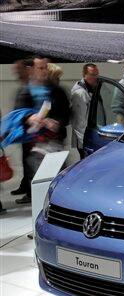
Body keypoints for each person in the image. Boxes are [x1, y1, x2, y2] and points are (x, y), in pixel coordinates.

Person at [14, 57, 71, 204]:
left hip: (55, 143)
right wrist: (30, 118)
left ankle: (58, 207)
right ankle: (42, 209)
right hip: (33, 145)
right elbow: (19, 113)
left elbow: (66, 114)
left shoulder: (57, 90)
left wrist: (57, 122)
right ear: (32, 69)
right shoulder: (25, 91)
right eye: (40, 68)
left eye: (45, 67)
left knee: (59, 179)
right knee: (39, 181)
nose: (44, 71)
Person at [10, 59, 34, 199]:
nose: (16, 72)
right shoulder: (24, 85)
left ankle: (31, 192)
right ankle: (25, 185)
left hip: (31, 132)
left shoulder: (32, 86)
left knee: (30, 162)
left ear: (26, 69)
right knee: (25, 160)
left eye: (18, 69)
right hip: (23, 131)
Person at [70, 63, 99, 159]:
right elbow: (79, 122)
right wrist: (85, 143)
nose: (96, 77)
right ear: (84, 75)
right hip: (84, 141)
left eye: (97, 74)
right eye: (92, 75)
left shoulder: (92, 89)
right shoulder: (81, 93)